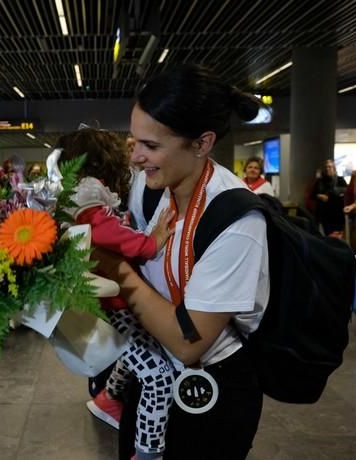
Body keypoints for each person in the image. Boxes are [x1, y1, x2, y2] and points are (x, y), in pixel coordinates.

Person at [92, 64, 268, 460]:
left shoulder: (235, 219)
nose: (136, 158)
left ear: (202, 143)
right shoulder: (155, 187)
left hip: (208, 389)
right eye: (134, 141)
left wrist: (111, 264)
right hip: (151, 374)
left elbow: (189, 342)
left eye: (150, 146)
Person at [57, 128, 177, 460]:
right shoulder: (88, 199)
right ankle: (148, 451)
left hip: (106, 300)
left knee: (135, 349)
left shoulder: (72, 196)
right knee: (158, 376)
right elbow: (108, 232)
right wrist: (150, 242)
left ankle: (109, 399)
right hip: (113, 301)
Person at [310, 159, 347, 236]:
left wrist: (335, 192)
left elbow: (346, 192)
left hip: (337, 215)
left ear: (334, 168)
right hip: (323, 215)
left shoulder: (340, 180)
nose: (327, 169)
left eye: (329, 167)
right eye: (326, 167)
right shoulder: (320, 181)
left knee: (336, 238)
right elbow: (312, 195)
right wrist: (319, 196)